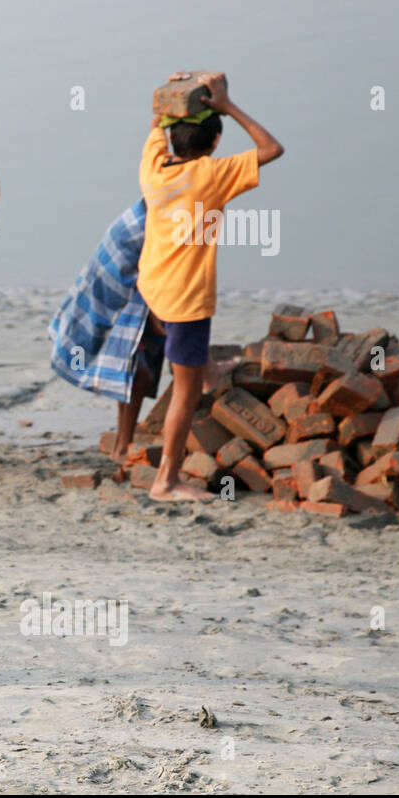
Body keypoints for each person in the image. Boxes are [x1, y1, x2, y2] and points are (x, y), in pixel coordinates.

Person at [137, 71, 284, 500]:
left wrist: (174, 93)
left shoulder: (153, 168)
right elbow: (272, 149)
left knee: (187, 364)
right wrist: (227, 105)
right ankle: (166, 480)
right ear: (215, 143)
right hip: (185, 302)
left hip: (154, 288)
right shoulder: (211, 176)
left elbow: (156, 125)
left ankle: (200, 370)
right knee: (184, 393)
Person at [48, 198, 167, 465]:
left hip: (128, 290)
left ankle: (123, 443)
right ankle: (123, 446)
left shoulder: (150, 207)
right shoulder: (155, 219)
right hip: (120, 292)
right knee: (138, 374)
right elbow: (151, 269)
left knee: (135, 372)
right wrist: (158, 316)